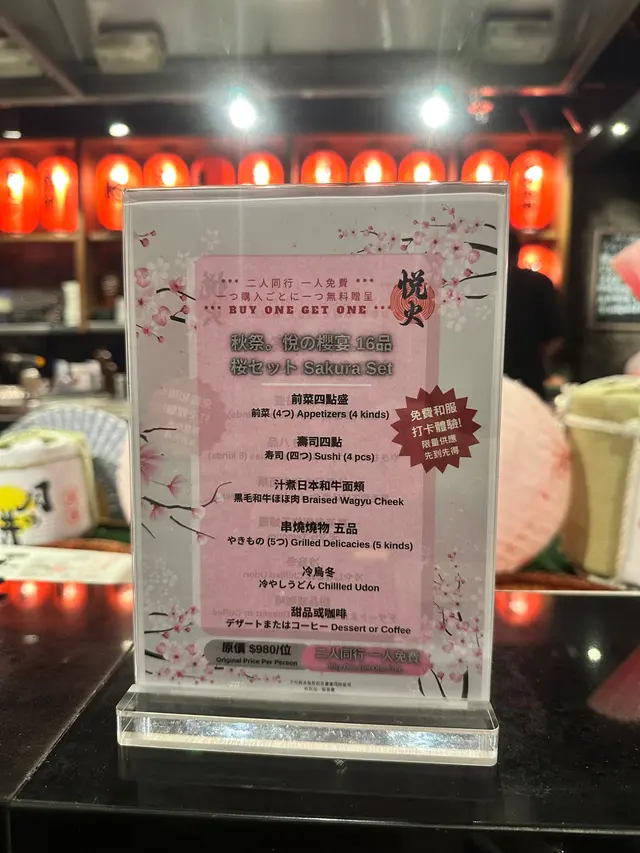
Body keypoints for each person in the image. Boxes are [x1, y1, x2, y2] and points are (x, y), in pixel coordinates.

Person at [503, 231, 563, 399]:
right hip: (528, 380)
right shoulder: (539, 284)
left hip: (482, 383)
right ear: (517, 253)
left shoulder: (472, 287)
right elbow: (555, 338)